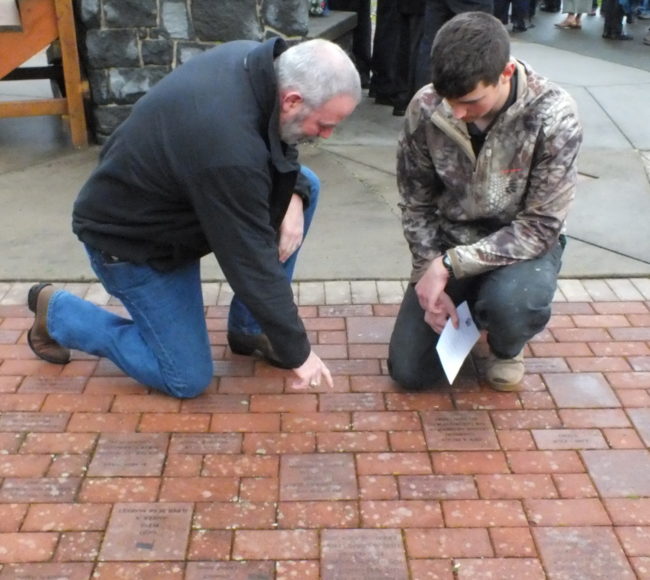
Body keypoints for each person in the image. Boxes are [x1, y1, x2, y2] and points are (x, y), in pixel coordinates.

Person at [26, 38, 361, 398]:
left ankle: (250, 328)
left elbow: (276, 139)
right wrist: (300, 353)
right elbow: (248, 259)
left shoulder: (257, 65)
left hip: (182, 208)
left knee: (305, 183)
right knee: (186, 377)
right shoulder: (228, 149)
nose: (327, 135)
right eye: (325, 124)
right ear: (292, 100)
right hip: (134, 244)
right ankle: (58, 313)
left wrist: (293, 195)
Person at [388, 12, 582, 392]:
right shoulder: (425, 107)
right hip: (450, 240)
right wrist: (428, 273)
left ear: (506, 73)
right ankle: (472, 304)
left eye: (470, 101)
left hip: (523, 249)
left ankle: (506, 344)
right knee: (410, 372)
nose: (457, 113)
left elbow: (540, 226)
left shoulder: (554, 114)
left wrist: (449, 265)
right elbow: (416, 203)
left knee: (514, 301)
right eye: (449, 100)